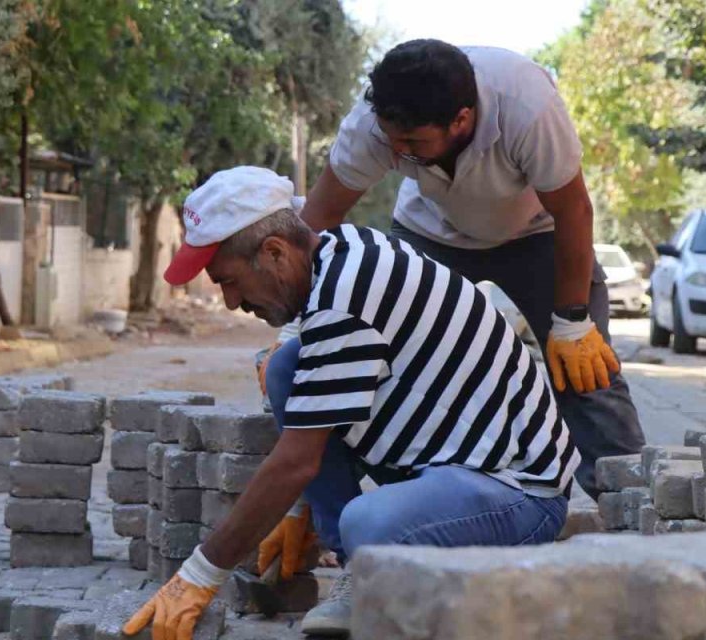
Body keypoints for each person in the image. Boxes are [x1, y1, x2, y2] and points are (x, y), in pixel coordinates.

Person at [123, 166, 576, 639]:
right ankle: (354, 560)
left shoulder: (344, 301)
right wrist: (305, 509)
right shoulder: (340, 252)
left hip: (520, 493)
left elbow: (296, 462)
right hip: (450, 463)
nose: (232, 302)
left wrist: (200, 575)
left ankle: (365, 565)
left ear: (274, 252)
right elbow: (321, 404)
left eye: (229, 282)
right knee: (285, 368)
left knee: (369, 523)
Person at [263, 39, 644, 502]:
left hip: (537, 236)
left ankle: (634, 509)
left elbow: (574, 211)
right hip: (430, 233)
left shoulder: (527, 106)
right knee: (382, 359)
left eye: (413, 143)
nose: (398, 151)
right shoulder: (372, 127)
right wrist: (297, 327)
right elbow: (316, 223)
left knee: (586, 372)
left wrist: (571, 320)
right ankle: (394, 509)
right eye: (392, 140)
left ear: (461, 120)